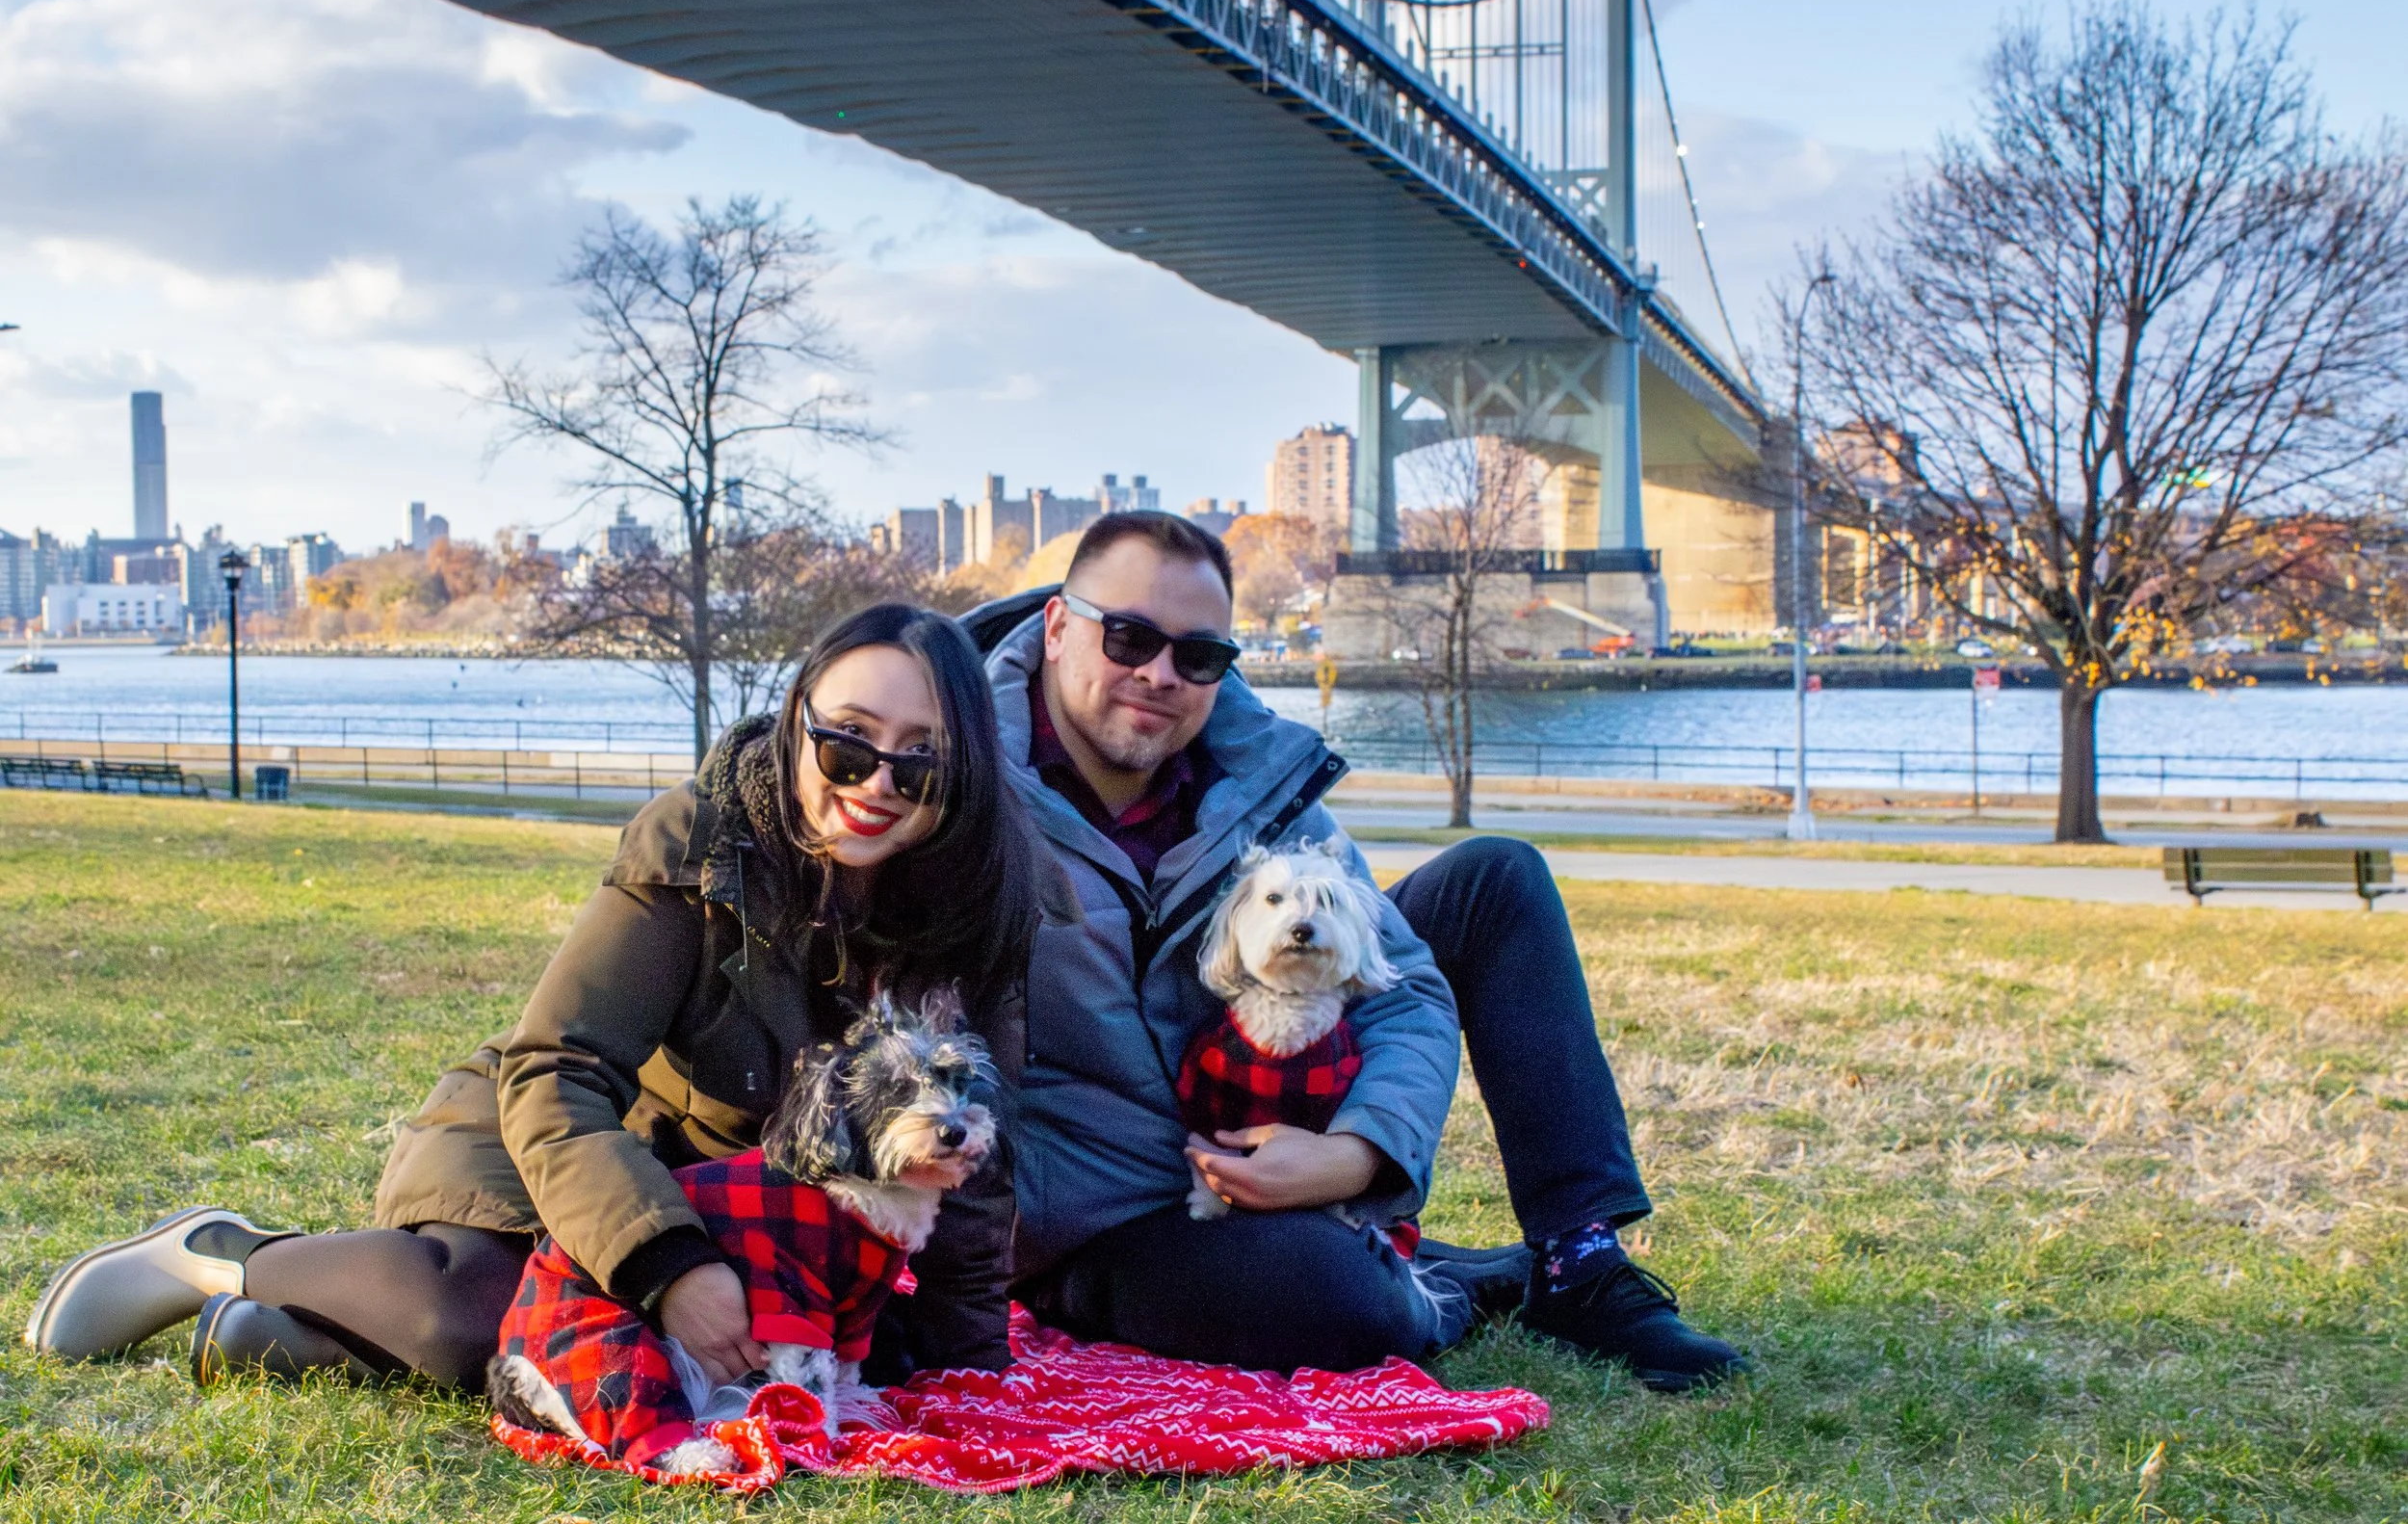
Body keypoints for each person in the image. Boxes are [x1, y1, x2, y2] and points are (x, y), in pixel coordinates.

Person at [25, 604, 1051, 1390]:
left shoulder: (982, 901)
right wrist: (668, 1267)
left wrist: (965, 1355)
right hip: (562, 1141)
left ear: (960, 776)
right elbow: (556, 1067)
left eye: (919, 764)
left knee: (853, 1353)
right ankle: (223, 1256)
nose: (875, 782)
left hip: (752, 1215)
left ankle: (289, 1338)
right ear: (797, 727)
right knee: (484, 1322)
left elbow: (975, 1141)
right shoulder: (700, 844)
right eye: (848, 744)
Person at [975, 512, 1746, 1390]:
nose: (1159, 674)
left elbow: (1404, 985)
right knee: (1345, 1303)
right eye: (1128, 637)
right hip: (1107, 1212)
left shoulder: (1257, 778)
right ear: (1058, 626)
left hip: (1275, 1100)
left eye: (1199, 655)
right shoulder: (955, 784)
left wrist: (1355, 1154)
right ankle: (1439, 1282)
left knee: (1494, 880)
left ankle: (1579, 1260)